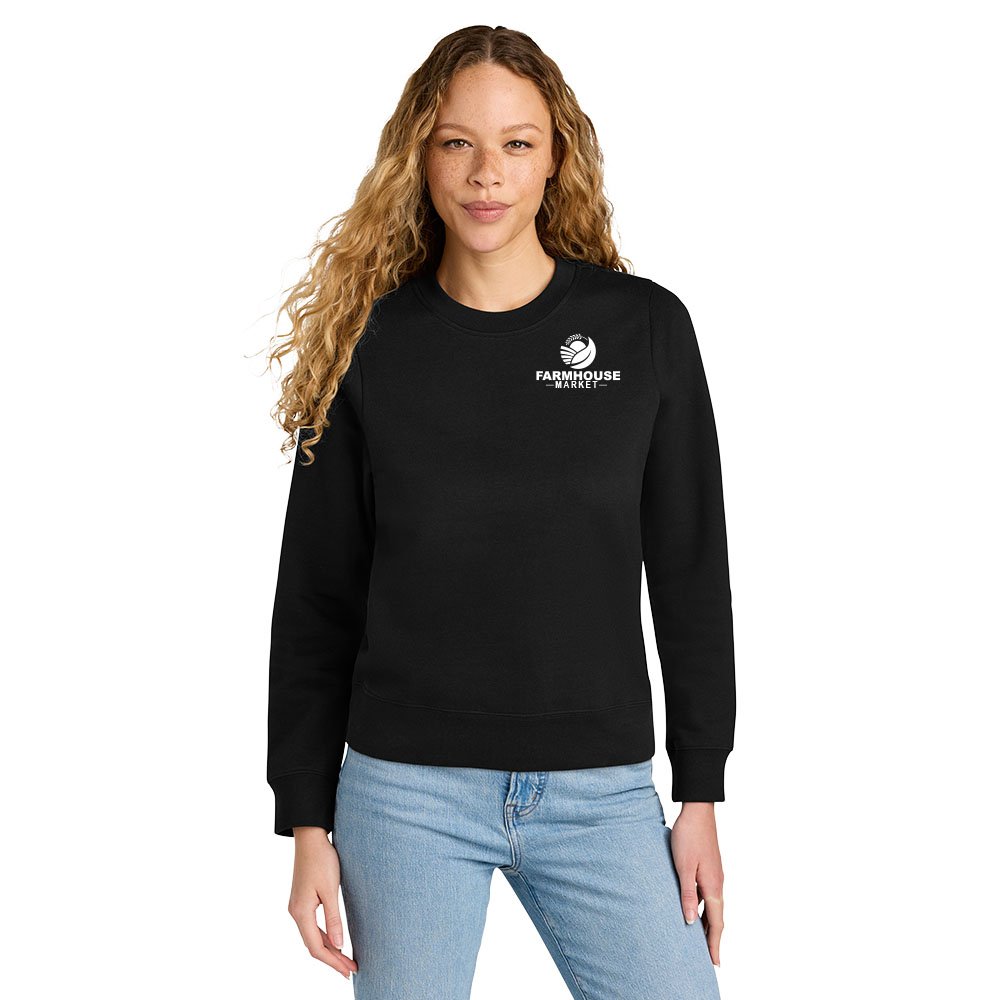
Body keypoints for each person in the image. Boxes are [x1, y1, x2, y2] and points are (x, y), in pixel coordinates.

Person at [264, 24, 736, 1000]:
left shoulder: (643, 330)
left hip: (600, 792)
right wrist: (307, 817)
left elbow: (692, 572)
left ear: (556, 157)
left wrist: (699, 792)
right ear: (420, 156)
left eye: (517, 144)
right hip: (405, 794)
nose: (487, 174)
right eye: (458, 143)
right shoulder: (368, 344)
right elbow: (315, 596)